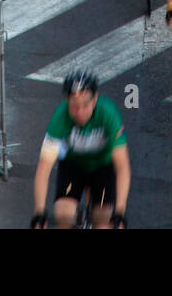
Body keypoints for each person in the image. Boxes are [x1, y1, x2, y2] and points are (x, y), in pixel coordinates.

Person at [31, 70, 130, 230]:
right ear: (67, 102)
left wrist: (120, 211)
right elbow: (44, 168)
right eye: (74, 106)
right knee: (63, 215)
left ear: (95, 99)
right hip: (73, 166)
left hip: (102, 167)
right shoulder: (60, 118)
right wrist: (39, 212)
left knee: (104, 219)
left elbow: (122, 166)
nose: (80, 112)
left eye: (85, 105)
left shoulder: (108, 113)